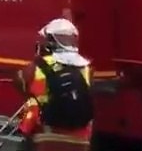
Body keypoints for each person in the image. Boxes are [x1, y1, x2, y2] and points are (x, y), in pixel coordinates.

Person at [15, 17, 93, 150]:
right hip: (81, 137)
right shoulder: (85, 67)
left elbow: (20, 84)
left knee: (32, 106)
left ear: (50, 41)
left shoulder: (38, 66)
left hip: (47, 133)